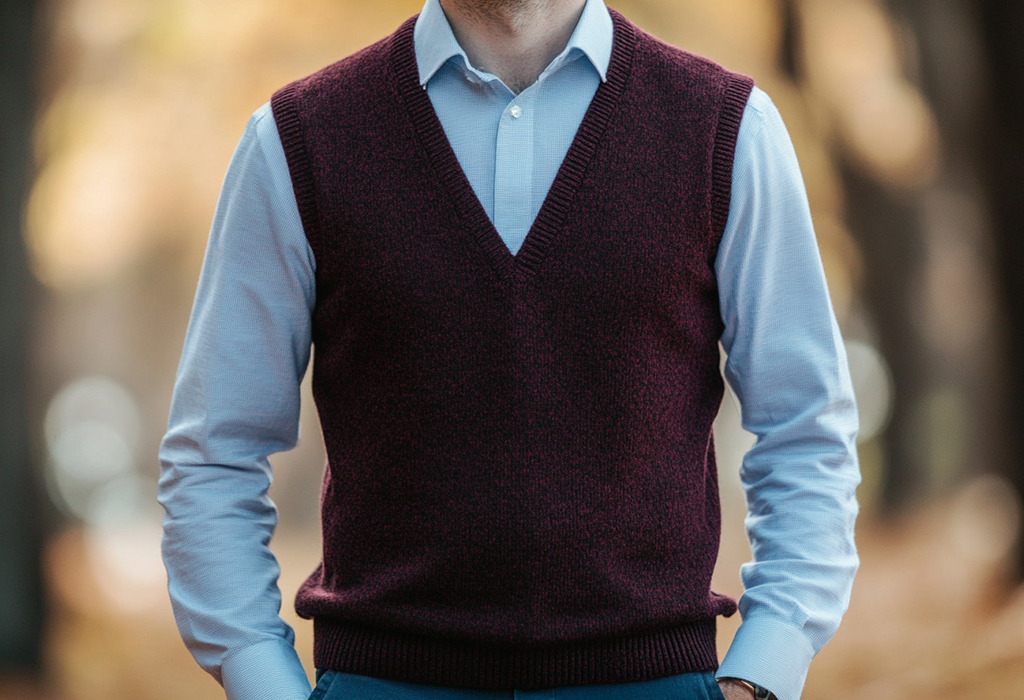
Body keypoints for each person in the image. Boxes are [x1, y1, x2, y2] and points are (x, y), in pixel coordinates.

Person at [158, 0, 861, 699]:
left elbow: (806, 428)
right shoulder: (299, 140)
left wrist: (764, 670)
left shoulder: (724, 129)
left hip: (653, 682)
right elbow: (215, 452)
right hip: (384, 682)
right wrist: (259, 674)